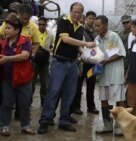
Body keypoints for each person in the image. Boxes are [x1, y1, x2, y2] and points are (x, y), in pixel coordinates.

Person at [37, 2, 95, 134]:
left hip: (73, 63)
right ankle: (45, 121)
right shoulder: (63, 21)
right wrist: (86, 43)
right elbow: (65, 39)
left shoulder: (80, 27)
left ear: (82, 14)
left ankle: (64, 121)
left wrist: (85, 54)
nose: (77, 14)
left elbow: (77, 46)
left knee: (69, 93)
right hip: (59, 62)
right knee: (54, 92)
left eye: (79, 12)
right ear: (70, 11)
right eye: (74, 11)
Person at [0, 17, 35, 136]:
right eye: (6, 28)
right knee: (6, 103)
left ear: (17, 30)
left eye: (9, 28)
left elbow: (25, 56)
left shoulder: (25, 41)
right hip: (8, 79)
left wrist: (7, 59)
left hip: (24, 79)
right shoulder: (3, 42)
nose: (6, 30)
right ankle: (4, 126)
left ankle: (26, 126)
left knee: (24, 104)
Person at [94, 15, 126, 134]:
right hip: (103, 75)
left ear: (106, 25)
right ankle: (107, 125)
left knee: (118, 101)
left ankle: (120, 126)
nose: (97, 28)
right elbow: (95, 55)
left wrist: (106, 61)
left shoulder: (114, 36)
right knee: (103, 100)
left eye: (99, 25)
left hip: (115, 74)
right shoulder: (96, 39)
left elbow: (121, 53)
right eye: (95, 26)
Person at [71, 11, 99, 115]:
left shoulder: (96, 32)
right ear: (86, 19)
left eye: (93, 18)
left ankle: (91, 107)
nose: (91, 20)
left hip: (92, 62)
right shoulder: (80, 30)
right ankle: (76, 107)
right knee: (78, 85)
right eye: (90, 18)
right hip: (82, 62)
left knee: (91, 84)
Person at [33, 16, 54, 107]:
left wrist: (49, 50)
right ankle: (28, 101)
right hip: (34, 61)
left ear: (46, 25)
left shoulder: (50, 34)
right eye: (40, 24)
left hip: (45, 61)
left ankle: (44, 102)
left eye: (43, 24)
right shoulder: (34, 32)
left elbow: (52, 45)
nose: (41, 26)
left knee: (45, 83)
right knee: (31, 83)